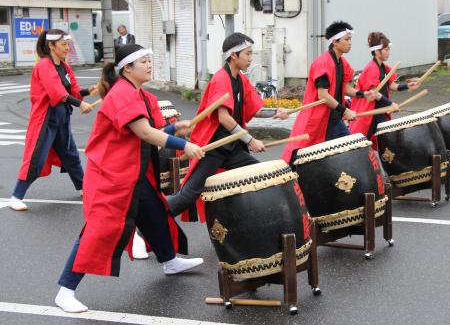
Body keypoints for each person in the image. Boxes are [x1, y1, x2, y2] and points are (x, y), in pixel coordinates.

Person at [54, 44, 205, 313]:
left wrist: (172, 128)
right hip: (111, 175)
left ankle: (169, 261)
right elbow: (145, 134)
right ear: (127, 68)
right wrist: (184, 145)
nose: (149, 64)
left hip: (133, 172)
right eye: (143, 61)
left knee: (155, 215)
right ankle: (65, 290)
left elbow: (145, 131)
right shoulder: (122, 93)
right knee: (98, 230)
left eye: (150, 60)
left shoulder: (138, 93)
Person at [167, 32, 288, 222]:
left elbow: (255, 108)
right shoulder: (221, 79)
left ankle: (251, 223)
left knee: (260, 175)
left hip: (232, 148)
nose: (250, 58)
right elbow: (223, 118)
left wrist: (275, 112)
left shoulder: (241, 79)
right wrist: (250, 140)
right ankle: (147, 226)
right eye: (247, 53)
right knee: (189, 195)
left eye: (251, 53)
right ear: (233, 55)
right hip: (214, 147)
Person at [10, 29, 95, 211]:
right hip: (45, 119)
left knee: (71, 155)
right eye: (63, 44)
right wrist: (80, 105)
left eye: (67, 44)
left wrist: (91, 90)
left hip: (62, 118)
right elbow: (56, 92)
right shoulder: (44, 65)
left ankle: (84, 187)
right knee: (36, 158)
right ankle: (16, 196)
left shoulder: (64, 66)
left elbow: (72, 92)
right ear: (51, 45)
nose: (67, 48)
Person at [281, 21, 377, 165]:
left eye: (350, 40)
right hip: (317, 119)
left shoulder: (342, 63)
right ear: (335, 42)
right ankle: (286, 183)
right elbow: (323, 95)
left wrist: (363, 94)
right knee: (300, 158)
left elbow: (344, 88)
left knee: (352, 149)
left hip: (333, 119)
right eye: (347, 40)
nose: (350, 43)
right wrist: (345, 110)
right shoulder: (324, 63)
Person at [349, 32, 421, 149]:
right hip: (370, 113)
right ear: (377, 52)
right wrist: (390, 104)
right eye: (386, 50)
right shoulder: (371, 68)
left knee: (385, 142)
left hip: (380, 110)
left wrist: (408, 86)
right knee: (362, 144)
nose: (389, 52)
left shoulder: (384, 67)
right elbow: (375, 93)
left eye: (389, 49)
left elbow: (392, 86)